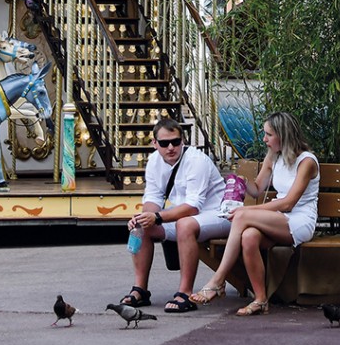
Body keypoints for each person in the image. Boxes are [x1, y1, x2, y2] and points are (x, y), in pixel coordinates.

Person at [191, 111, 319, 316]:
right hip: (278, 217)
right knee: (249, 237)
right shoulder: (273, 157)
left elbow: (288, 203)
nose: (264, 139)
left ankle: (218, 280)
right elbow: (258, 188)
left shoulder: (307, 162)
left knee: (242, 216)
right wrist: (241, 181)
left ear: (283, 136)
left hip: (300, 220)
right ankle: (260, 300)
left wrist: (247, 210)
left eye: (268, 135)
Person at [122, 117, 228, 314]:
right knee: (140, 225)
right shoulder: (154, 161)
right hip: (186, 216)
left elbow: (193, 207)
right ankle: (140, 289)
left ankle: (185, 293)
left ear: (183, 141)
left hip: (217, 215)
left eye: (175, 142)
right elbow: (153, 197)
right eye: (164, 143)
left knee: (185, 225)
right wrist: (145, 217)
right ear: (155, 144)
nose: (170, 147)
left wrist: (158, 217)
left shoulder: (196, 160)